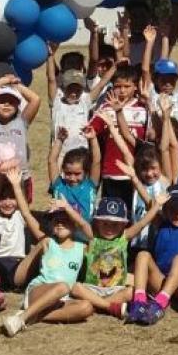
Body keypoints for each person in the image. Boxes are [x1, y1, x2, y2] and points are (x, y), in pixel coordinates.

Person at [1, 200, 93, 337]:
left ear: (75, 224)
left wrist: (68, 208)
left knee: (86, 307)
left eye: (66, 219)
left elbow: (89, 232)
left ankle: (36, 316)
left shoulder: (82, 248)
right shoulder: (48, 242)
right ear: (51, 225)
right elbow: (26, 214)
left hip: (62, 299)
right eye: (56, 220)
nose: (60, 223)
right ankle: (20, 319)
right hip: (38, 291)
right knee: (63, 286)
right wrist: (16, 185)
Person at [69, 195, 166, 318]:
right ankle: (108, 307)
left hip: (116, 290)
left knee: (131, 292)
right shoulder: (93, 236)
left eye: (115, 224)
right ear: (97, 222)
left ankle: (97, 305)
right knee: (76, 287)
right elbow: (81, 222)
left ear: (124, 225)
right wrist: (67, 207)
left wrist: (157, 205)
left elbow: (142, 223)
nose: (109, 228)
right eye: (105, 223)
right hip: (92, 288)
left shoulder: (124, 238)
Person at [126, 184, 178, 325]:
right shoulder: (160, 223)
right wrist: (134, 179)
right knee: (143, 254)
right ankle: (139, 303)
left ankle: (160, 304)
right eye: (173, 209)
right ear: (165, 209)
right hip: (161, 282)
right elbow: (149, 202)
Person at [0, 168, 47, 312]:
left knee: (44, 243)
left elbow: (25, 209)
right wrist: (0, 175)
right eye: (3, 198)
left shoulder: (20, 216)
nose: (7, 203)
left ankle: (46, 281)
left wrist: (16, 185)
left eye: (11, 198)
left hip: (17, 269)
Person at [87, 65, 149, 209]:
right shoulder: (106, 108)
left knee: (133, 213)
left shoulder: (142, 108)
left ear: (135, 87)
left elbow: (149, 137)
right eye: (118, 86)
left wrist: (149, 105)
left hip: (136, 172)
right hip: (111, 172)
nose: (122, 90)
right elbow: (92, 128)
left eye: (127, 86)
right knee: (111, 213)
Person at [46, 42, 115, 163]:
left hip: (82, 155)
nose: (73, 93)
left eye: (77, 89)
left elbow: (102, 83)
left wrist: (115, 66)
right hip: (60, 155)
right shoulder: (56, 100)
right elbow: (51, 79)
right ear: (64, 87)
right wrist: (50, 56)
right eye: (70, 88)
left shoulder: (85, 100)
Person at [48, 125, 101, 226]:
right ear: (63, 169)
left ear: (86, 172)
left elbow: (96, 161)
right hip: (61, 234)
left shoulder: (90, 185)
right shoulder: (59, 185)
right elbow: (52, 161)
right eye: (68, 173)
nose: (72, 178)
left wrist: (93, 139)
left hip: (84, 236)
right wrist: (60, 140)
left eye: (77, 174)